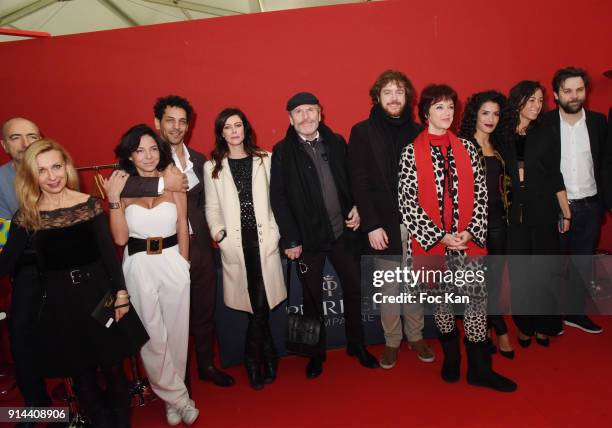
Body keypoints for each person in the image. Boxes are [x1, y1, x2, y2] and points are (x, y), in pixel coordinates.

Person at [0, 139, 147, 427]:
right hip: (59, 305)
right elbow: (5, 265)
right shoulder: (27, 217)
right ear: (31, 175)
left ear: (67, 167)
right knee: (82, 377)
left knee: (114, 371)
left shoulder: (88, 205)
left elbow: (109, 256)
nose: (52, 176)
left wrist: (121, 295)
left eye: (57, 166)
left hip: (98, 298)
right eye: (42, 171)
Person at [398, 84, 516, 392]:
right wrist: (440, 236)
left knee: (477, 303)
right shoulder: (411, 152)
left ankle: (479, 369)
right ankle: (451, 359)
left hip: (468, 241)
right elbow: (407, 203)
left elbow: (481, 195)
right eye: (439, 107)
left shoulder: (467, 148)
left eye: (451, 107)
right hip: (433, 245)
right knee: (443, 306)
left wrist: (469, 231)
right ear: (425, 113)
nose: (447, 113)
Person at [119, 95, 234, 387]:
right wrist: (163, 183)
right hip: (165, 250)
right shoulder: (145, 157)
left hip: (199, 247)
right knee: (166, 321)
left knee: (204, 310)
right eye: (170, 120)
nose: (176, 127)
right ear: (158, 122)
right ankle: (176, 379)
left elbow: (209, 201)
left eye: (183, 121)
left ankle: (206, 365)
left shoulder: (198, 159)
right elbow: (122, 185)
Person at [270, 92, 378, 379]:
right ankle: (314, 355)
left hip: (343, 234)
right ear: (290, 119)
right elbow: (278, 199)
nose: (305, 116)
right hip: (307, 241)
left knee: (355, 290)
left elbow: (353, 179)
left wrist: (356, 207)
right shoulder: (282, 151)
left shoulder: (337, 142)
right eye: (298, 112)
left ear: (320, 113)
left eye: (310, 110)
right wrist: (290, 239)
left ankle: (357, 345)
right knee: (311, 298)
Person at [104, 124, 199, 426]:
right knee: (151, 337)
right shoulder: (122, 187)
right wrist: (114, 200)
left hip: (172, 261)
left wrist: (183, 264)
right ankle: (178, 399)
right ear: (129, 155)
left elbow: (183, 224)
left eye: (153, 149)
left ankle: (172, 400)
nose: (147, 156)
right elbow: (119, 239)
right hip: (138, 264)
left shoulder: (173, 181)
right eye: (140, 150)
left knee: (176, 333)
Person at [348, 70, 434, 368]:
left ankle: (416, 336)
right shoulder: (361, 132)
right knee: (389, 286)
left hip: (416, 222)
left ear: (407, 97)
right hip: (381, 223)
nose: (394, 97)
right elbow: (358, 181)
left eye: (399, 91)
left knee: (414, 283)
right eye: (388, 92)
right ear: (377, 97)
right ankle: (392, 341)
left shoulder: (419, 132)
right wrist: (371, 224)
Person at [203, 108, 286, 390]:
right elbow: (212, 208)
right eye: (228, 127)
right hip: (236, 244)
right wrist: (219, 234)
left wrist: (276, 233)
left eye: (238, 125)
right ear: (221, 133)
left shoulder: (265, 159)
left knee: (260, 303)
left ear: (245, 128)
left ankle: (254, 358)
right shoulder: (213, 165)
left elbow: (277, 200)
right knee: (255, 303)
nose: (234, 131)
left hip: (264, 240)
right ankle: (267, 355)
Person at [502, 81, 570, 347]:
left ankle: (546, 324)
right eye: (531, 100)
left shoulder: (546, 132)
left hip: (543, 209)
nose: (537, 106)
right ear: (517, 101)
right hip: (514, 213)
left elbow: (555, 174)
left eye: (540, 100)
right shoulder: (502, 134)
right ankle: (524, 324)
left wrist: (566, 212)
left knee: (544, 271)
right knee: (521, 273)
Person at [544, 67, 610, 333]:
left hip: (590, 205)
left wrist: (605, 202)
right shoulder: (545, 123)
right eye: (568, 91)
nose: (574, 96)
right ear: (556, 94)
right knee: (552, 265)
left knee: (583, 264)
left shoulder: (598, 122)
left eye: (579, 90)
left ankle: (575, 313)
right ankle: (549, 316)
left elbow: (605, 164)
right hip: (556, 208)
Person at [0, 118, 51, 422]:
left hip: (65, 264)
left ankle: (86, 393)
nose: (25, 143)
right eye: (16, 137)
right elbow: (5, 238)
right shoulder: (0, 180)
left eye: (32, 135)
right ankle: (36, 404)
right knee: (19, 333)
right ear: (4, 146)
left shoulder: (55, 170)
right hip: (26, 265)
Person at [459, 91, 514, 359]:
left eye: (495, 113)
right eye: (485, 113)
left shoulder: (501, 147)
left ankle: (489, 326)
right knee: (477, 285)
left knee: (493, 281)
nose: (491, 118)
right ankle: (499, 329)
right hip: (473, 228)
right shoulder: (462, 146)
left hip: (499, 224)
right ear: (475, 115)